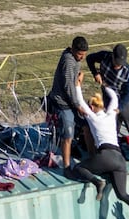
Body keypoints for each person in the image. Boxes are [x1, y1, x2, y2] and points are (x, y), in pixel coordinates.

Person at [71, 72, 129, 219]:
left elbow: (80, 101)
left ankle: (97, 183)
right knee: (122, 194)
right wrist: (104, 84)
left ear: (93, 107)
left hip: (105, 155)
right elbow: (114, 98)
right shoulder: (111, 114)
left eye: (90, 106)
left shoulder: (92, 117)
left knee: (79, 167)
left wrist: (78, 85)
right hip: (120, 159)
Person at [86, 43, 129, 169]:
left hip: (122, 98)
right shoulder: (104, 56)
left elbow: (128, 93)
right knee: (111, 127)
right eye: (116, 62)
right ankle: (109, 153)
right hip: (107, 95)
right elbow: (89, 58)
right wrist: (95, 73)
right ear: (112, 56)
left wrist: (121, 107)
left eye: (120, 63)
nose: (117, 65)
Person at [48, 36, 89, 175]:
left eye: (84, 55)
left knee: (86, 126)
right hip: (63, 103)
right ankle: (66, 167)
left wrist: (79, 77)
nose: (82, 58)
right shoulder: (68, 61)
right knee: (68, 135)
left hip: (72, 101)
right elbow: (67, 86)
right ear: (72, 49)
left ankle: (93, 158)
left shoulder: (74, 58)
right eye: (80, 54)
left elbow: (72, 81)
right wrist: (77, 105)